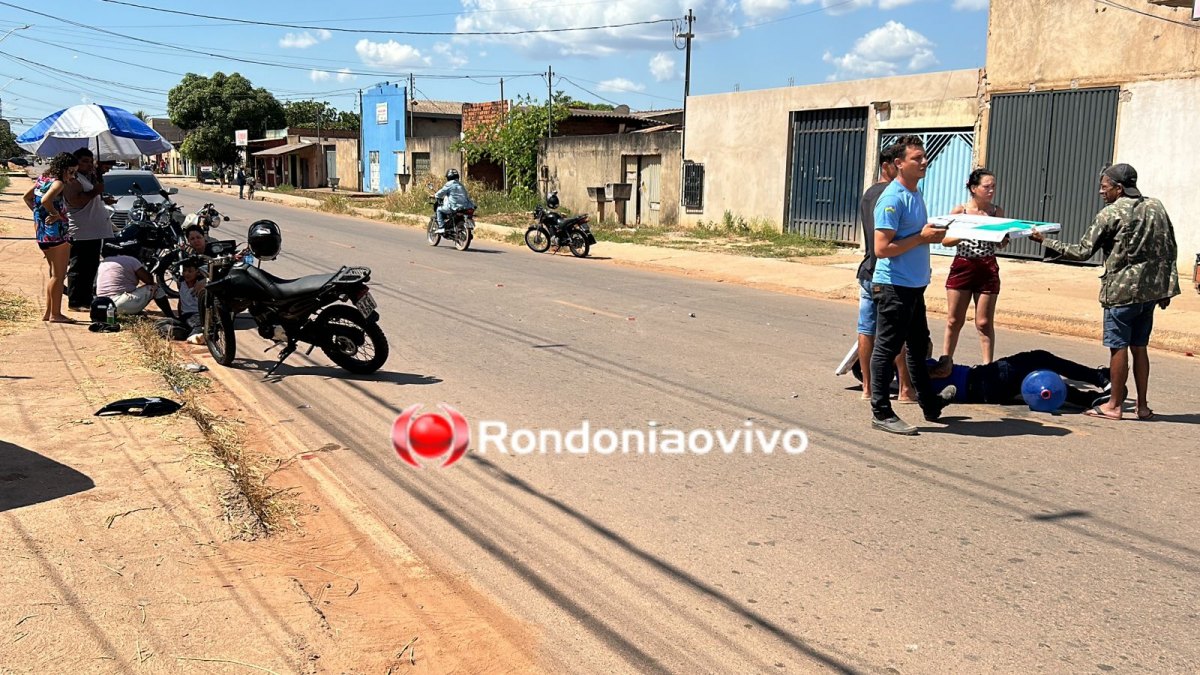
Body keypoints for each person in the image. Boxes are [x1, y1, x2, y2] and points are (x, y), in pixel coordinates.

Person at [1030, 163, 1180, 421]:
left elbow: (1082, 251)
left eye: (1105, 187)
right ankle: (1142, 406)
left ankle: (1114, 405)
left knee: (1118, 347)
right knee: (1140, 347)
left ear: (1119, 188)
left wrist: (1046, 241)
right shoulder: (1156, 206)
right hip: (1149, 294)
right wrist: (1167, 289)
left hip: (1120, 293)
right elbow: (1169, 248)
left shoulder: (1110, 213)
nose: (1101, 192)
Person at [869, 134, 953, 435]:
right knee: (887, 348)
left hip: (914, 287)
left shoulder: (915, 193)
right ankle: (881, 412)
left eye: (924, 156)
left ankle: (930, 404)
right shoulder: (892, 198)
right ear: (898, 164)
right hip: (893, 286)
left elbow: (925, 236)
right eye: (917, 158)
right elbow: (882, 248)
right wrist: (921, 237)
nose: (924, 161)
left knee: (918, 348)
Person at [856, 142, 917, 403]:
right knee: (894, 335)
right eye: (898, 163)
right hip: (887, 274)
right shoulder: (893, 194)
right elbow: (886, 243)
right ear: (888, 166)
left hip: (866, 271)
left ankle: (867, 388)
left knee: (866, 330)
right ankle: (905, 388)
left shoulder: (869, 194)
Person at [940, 168, 1008, 364]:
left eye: (993, 187)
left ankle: (988, 367)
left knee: (984, 322)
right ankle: (946, 362)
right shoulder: (960, 211)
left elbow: (1000, 241)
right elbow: (945, 240)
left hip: (987, 266)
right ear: (973, 188)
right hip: (963, 265)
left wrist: (1003, 239)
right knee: (954, 320)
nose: (991, 190)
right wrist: (965, 232)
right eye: (986, 186)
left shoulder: (996, 211)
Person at [927, 350, 1110, 409]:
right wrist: (946, 357)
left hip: (982, 382)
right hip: (981, 382)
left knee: (1036, 370)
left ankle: (1090, 394)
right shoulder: (916, 369)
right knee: (1039, 360)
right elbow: (944, 370)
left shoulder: (916, 365)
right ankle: (1096, 381)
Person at [23, 152, 79, 323]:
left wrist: (38, 216)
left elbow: (27, 197)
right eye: (71, 171)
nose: (72, 176)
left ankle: (49, 312)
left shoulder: (43, 179)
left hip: (42, 234)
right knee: (58, 275)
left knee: (54, 274)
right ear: (63, 168)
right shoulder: (58, 183)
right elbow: (47, 199)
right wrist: (54, 213)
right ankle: (56, 314)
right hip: (57, 234)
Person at [63, 149, 116, 312]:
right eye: (84, 161)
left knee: (91, 267)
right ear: (76, 162)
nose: (87, 164)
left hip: (94, 230)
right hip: (81, 230)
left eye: (90, 161)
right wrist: (95, 192)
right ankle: (75, 302)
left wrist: (101, 197)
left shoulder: (87, 178)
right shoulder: (73, 179)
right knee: (78, 267)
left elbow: (90, 198)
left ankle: (86, 300)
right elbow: (76, 201)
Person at [95, 231, 176, 318]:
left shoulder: (103, 263)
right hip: (120, 303)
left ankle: (127, 312)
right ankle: (171, 316)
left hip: (103, 305)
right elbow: (149, 280)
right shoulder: (131, 260)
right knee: (156, 288)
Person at [433, 168, 475, 234]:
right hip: (466, 206)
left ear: (449, 177)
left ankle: (441, 227)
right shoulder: (461, 185)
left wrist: (434, 195)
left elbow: (441, 192)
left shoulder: (449, 184)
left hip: (454, 207)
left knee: (439, 210)